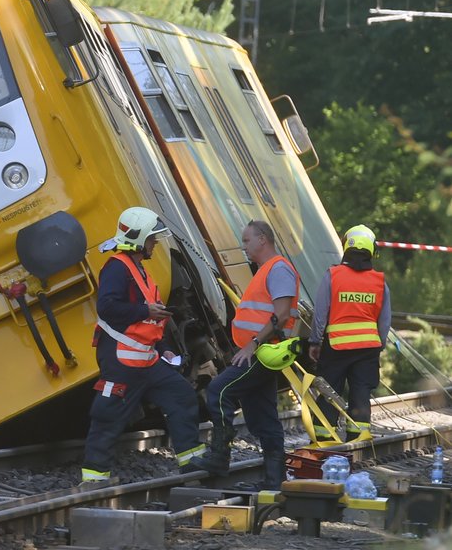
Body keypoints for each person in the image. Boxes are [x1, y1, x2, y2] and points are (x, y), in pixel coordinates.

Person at [81, 207, 207, 482]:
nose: (155, 244)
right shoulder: (116, 268)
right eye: (152, 239)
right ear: (139, 240)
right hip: (122, 362)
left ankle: (191, 464)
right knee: (108, 417)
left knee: (182, 396)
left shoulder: (140, 270)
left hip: (147, 361)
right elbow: (107, 308)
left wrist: (165, 349)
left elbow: (148, 324)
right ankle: (94, 479)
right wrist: (145, 311)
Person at [198, 220, 300, 489]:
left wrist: (252, 344)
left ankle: (219, 456)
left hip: (263, 352)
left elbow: (281, 314)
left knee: (219, 390)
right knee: (263, 417)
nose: (243, 246)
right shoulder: (266, 270)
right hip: (261, 351)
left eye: (246, 240)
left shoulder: (277, 269)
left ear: (262, 240)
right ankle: (274, 481)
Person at [308, 224, 391, 442]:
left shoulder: (333, 276)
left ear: (346, 246)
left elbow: (320, 312)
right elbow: (385, 321)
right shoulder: (379, 282)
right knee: (361, 391)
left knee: (330, 391)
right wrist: (379, 345)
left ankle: (324, 438)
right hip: (368, 349)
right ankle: (358, 437)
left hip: (336, 346)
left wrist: (315, 341)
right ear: (372, 250)